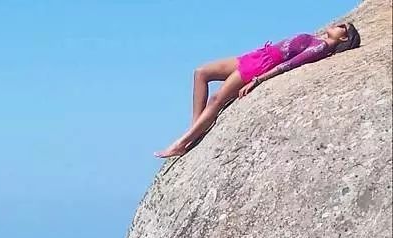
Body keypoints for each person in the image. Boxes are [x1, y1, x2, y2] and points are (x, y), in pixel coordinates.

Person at [155, 21, 361, 158]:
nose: (339, 24)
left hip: (263, 64)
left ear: (344, 38)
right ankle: (194, 130)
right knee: (201, 72)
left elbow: (290, 64)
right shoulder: (318, 40)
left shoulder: (321, 47)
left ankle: (182, 143)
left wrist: (258, 80)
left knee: (217, 99)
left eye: (344, 27)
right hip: (257, 55)